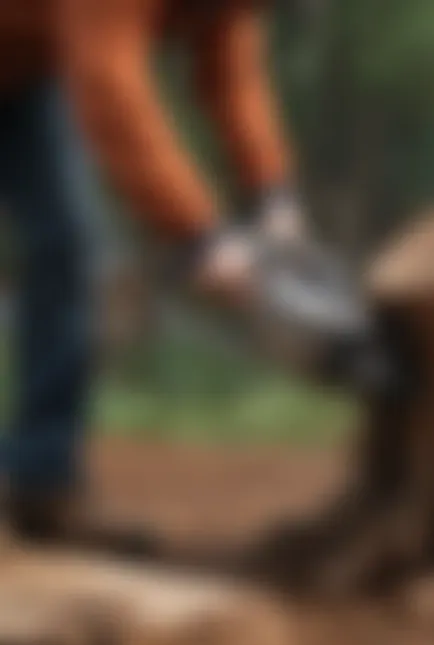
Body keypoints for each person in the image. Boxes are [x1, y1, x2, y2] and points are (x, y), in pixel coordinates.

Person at [0, 0, 381, 546]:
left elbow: (232, 81)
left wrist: (273, 197)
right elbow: (111, 88)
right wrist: (198, 236)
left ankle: (41, 480)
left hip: (18, 73)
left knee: (65, 248)